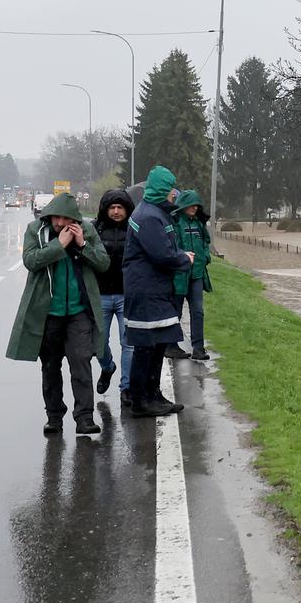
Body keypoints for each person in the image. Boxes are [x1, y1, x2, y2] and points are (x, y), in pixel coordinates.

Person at [5, 191, 110, 436]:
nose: (60, 223)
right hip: (47, 313)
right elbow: (31, 260)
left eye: (66, 218)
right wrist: (59, 245)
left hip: (78, 312)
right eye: (56, 218)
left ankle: (84, 417)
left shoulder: (87, 231)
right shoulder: (35, 231)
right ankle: (54, 417)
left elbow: (103, 263)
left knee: (81, 363)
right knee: (50, 367)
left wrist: (82, 245)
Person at [123, 165, 193, 417]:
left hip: (155, 289)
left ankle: (153, 393)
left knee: (159, 343)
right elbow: (162, 255)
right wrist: (185, 259)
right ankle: (141, 400)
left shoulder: (154, 212)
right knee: (146, 346)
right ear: (163, 189)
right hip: (146, 291)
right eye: (171, 187)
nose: (175, 192)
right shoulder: (149, 217)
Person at [93, 188, 135, 405]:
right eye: (112, 207)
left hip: (126, 295)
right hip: (100, 294)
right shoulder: (95, 229)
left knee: (128, 343)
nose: (117, 211)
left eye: (120, 207)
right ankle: (107, 367)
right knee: (98, 343)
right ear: (106, 209)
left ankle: (126, 387)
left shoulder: (135, 230)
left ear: (127, 210)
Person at [168, 189, 213, 361]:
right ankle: (171, 346)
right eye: (191, 205)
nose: (194, 208)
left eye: (197, 205)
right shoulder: (174, 223)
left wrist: (206, 256)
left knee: (198, 311)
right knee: (175, 312)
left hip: (197, 275)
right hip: (179, 274)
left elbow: (206, 242)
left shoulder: (199, 224)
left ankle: (198, 348)